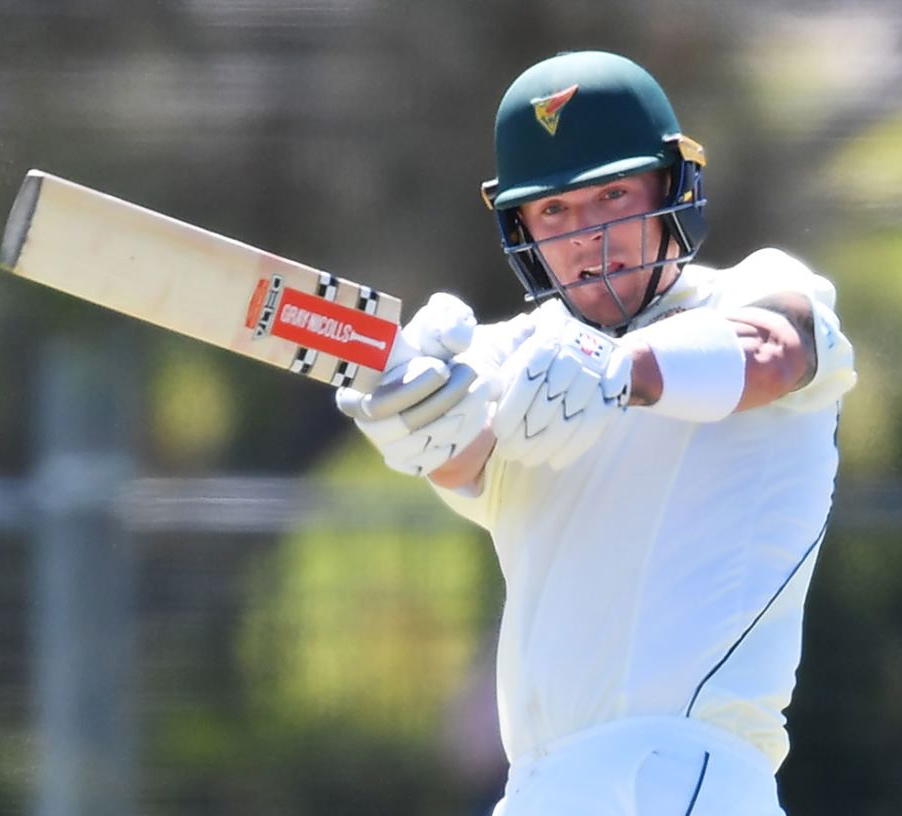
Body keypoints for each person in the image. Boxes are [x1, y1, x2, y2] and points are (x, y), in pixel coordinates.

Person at [337, 50, 857, 815]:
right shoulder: (518, 355)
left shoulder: (753, 291)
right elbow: (467, 456)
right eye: (553, 211)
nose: (586, 235)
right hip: (538, 786)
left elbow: (775, 352)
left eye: (611, 195)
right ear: (520, 226)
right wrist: (414, 413)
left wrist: (621, 369)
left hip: (681, 774)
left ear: (672, 186)